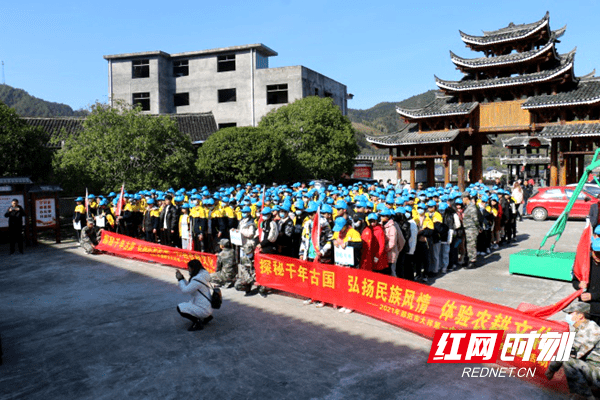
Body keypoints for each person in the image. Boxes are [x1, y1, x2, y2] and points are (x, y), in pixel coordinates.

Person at [546, 302, 600, 399]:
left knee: (569, 362)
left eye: (571, 313)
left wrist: (551, 369)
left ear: (580, 316)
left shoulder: (589, 329)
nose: (568, 316)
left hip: (598, 371)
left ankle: (582, 396)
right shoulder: (583, 328)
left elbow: (569, 352)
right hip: (595, 369)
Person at [175, 259, 213, 331]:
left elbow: (185, 290)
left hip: (203, 309)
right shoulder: (203, 274)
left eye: (189, 268)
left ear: (193, 268)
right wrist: (182, 278)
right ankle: (207, 317)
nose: (188, 269)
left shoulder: (197, 280)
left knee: (180, 308)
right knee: (189, 304)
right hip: (208, 306)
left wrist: (180, 279)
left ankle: (197, 323)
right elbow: (191, 286)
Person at [462, 191, 482, 269]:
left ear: (466, 198)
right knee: (469, 245)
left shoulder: (471, 207)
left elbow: (475, 219)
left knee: (471, 245)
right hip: (468, 228)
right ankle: (469, 259)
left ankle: (472, 261)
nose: (462, 200)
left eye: (463, 198)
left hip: (471, 228)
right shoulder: (468, 206)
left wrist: (478, 227)